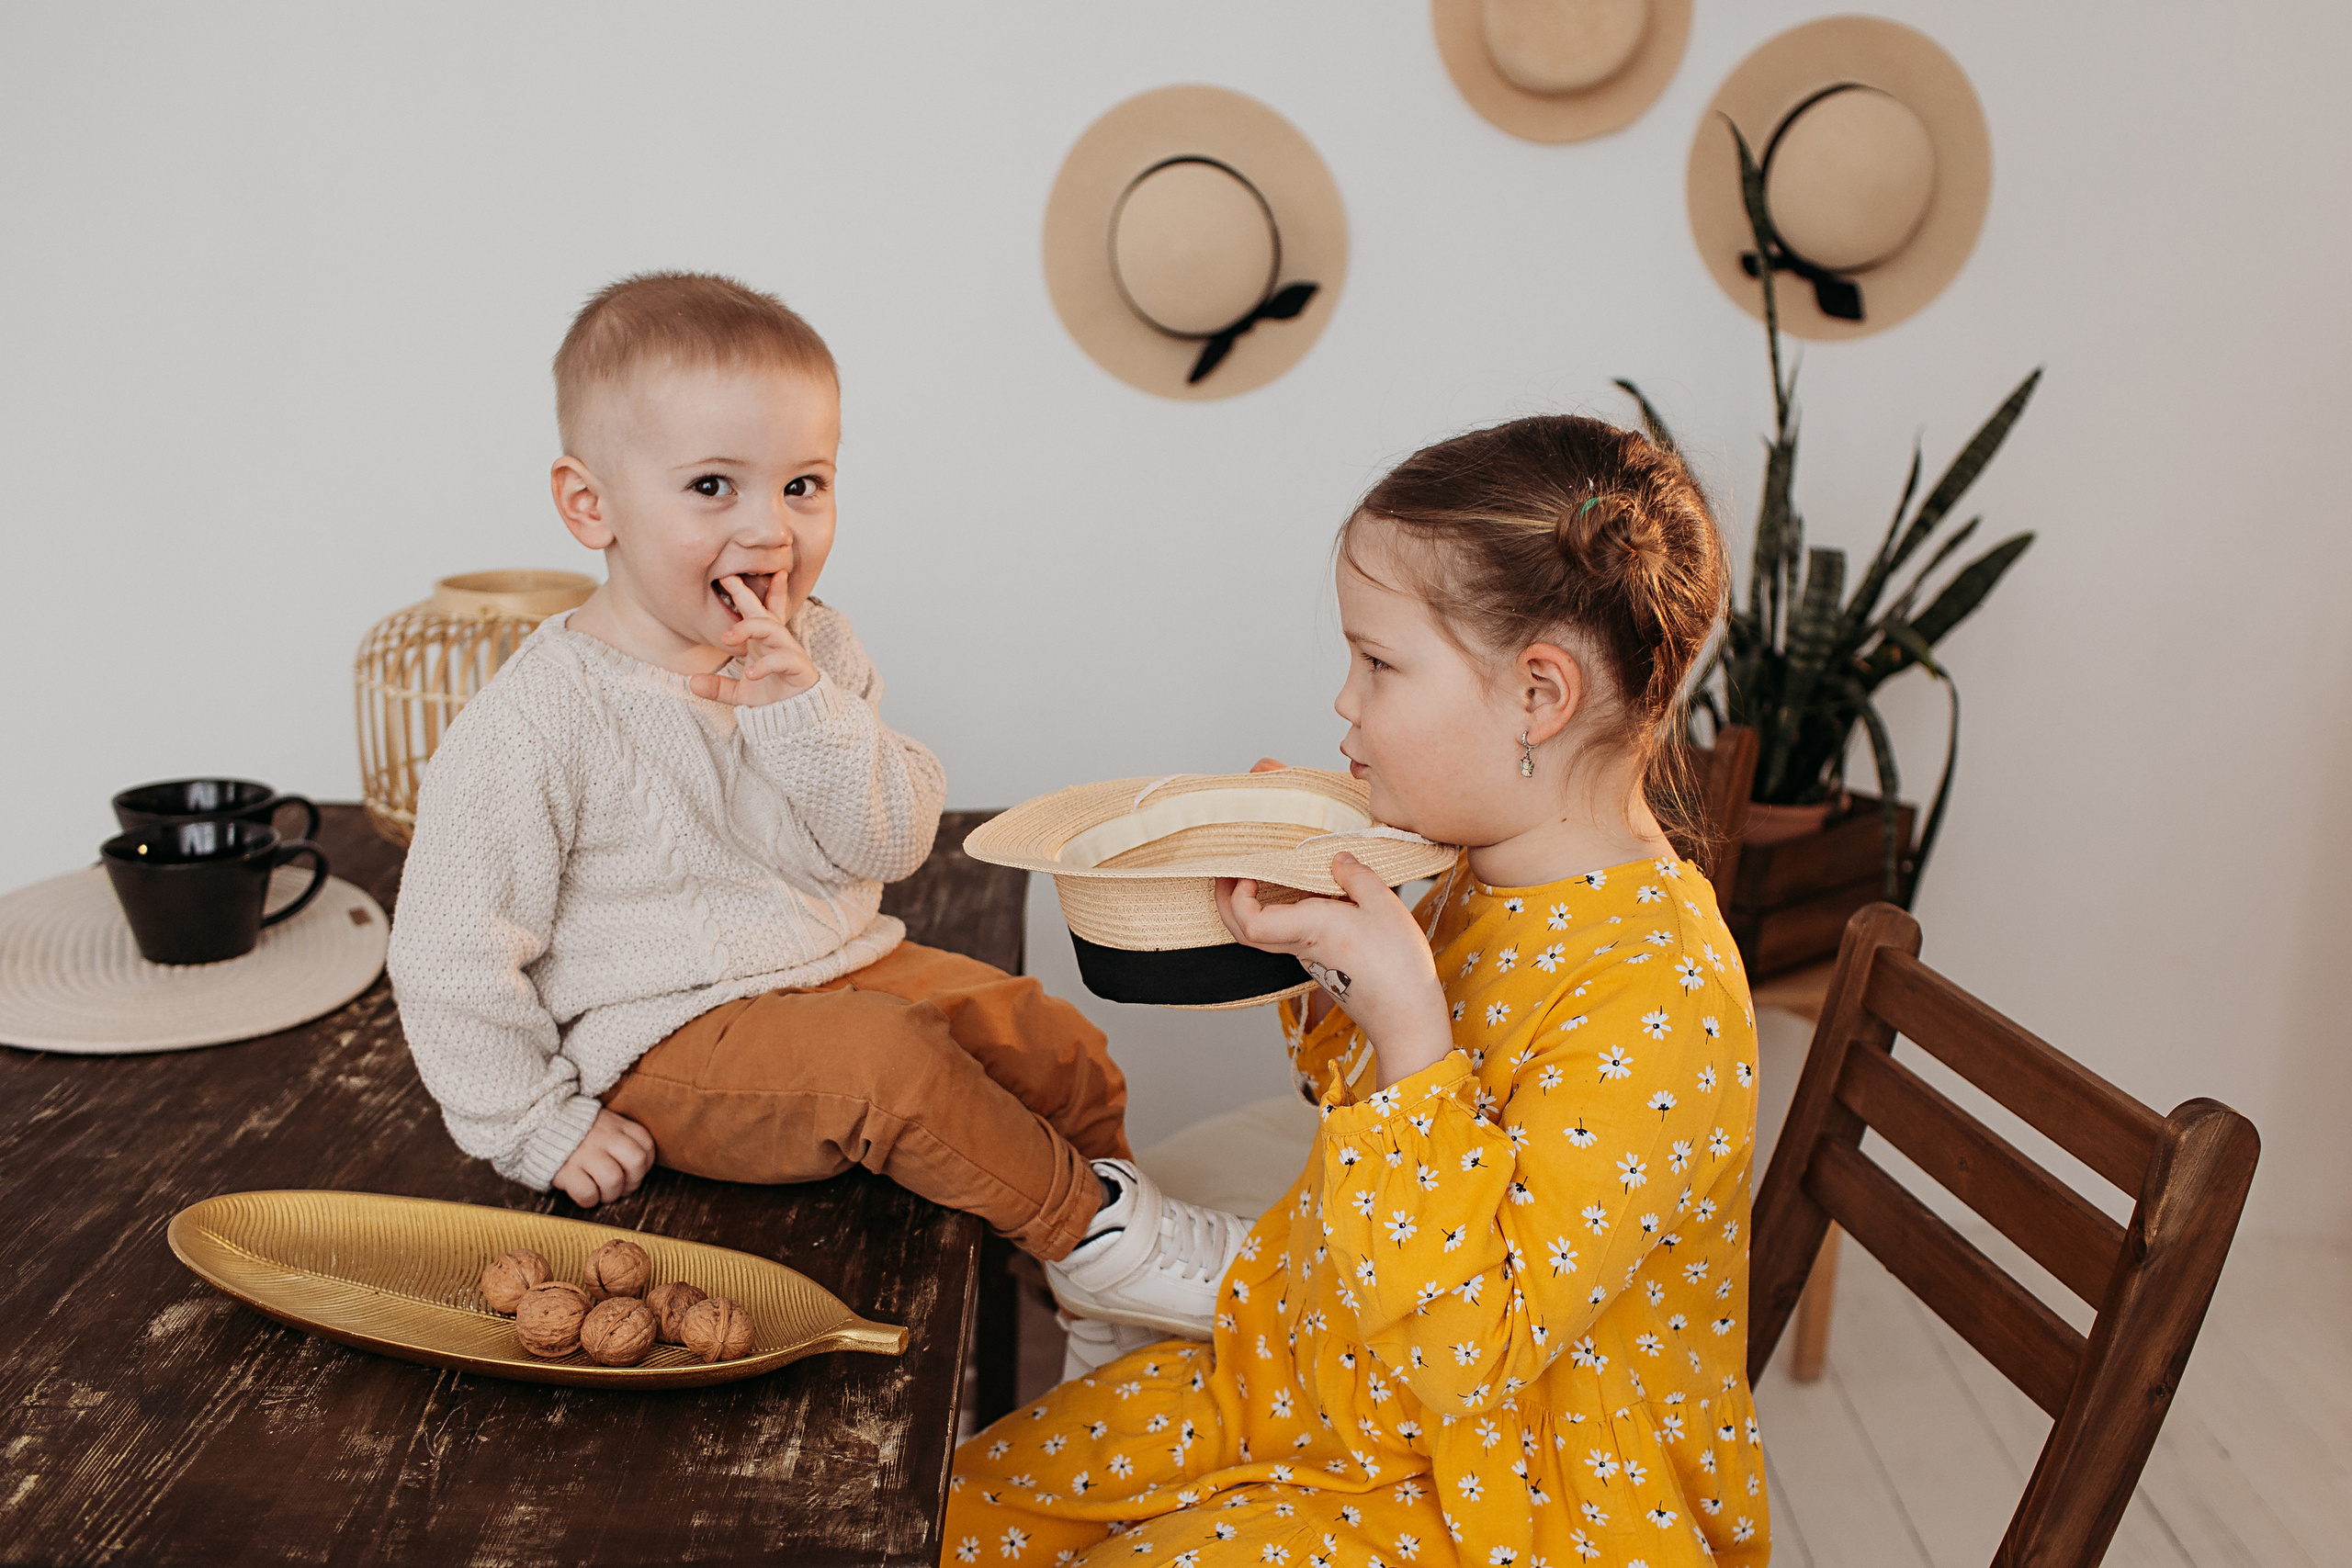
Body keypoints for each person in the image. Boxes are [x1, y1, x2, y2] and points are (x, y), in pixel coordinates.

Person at [944, 414, 1767, 1565]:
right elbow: (1351, 1100)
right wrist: (1318, 938)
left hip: (1510, 1490)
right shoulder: (1473, 868)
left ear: (1539, 697)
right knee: (955, 1512)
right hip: (1334, 1375)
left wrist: (1411, 1029)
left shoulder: (1661, 990)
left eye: (1378, 664)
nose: (1345, 703)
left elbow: (1469, 1354)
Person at [386, 272, 1248, 1369]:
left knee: (1050, 1038)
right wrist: (531, 1123)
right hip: (656, 1037)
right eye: (712, 486)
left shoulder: (819, 653)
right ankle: (1092, 1231)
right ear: (588, 504)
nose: (770, 528)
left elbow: (888, 844)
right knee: (882, 1065)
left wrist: (805, 711)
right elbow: (448, 951)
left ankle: (1101, 1299)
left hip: (832, 970)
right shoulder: (541, 716)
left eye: (804, 484)